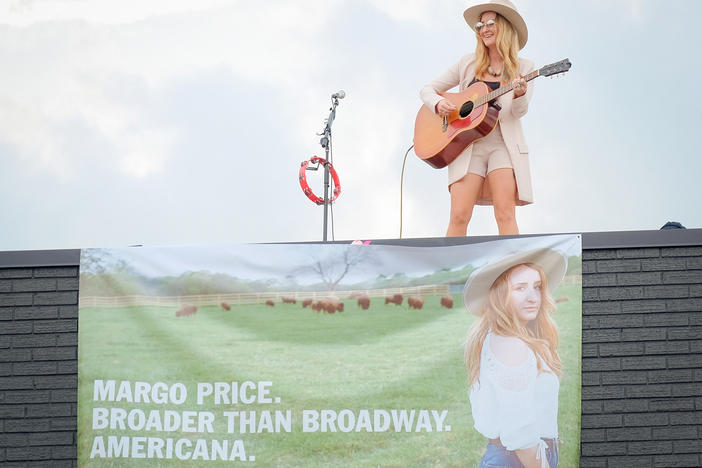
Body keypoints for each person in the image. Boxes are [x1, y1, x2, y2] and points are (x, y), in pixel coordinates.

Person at [420, 0, 534, 237]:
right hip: (467, 145)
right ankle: (450, 270)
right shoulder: (467, 63)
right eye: (480, 24)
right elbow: (427, 89)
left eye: (491, 22)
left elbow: (519, 112)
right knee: (459, 215)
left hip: (502, 145)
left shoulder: (524, 67)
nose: (484, 28)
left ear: (505, 26)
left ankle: (511, 269)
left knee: (505, 213)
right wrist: (439, 103)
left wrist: (520, 93)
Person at [463, 248, 567, 468]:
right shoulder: (510, 343)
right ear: (500, 294)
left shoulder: (512, 337)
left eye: (537, 287)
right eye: (520, 288)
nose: (533, 297)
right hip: (517, 460)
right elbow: (519, 433)